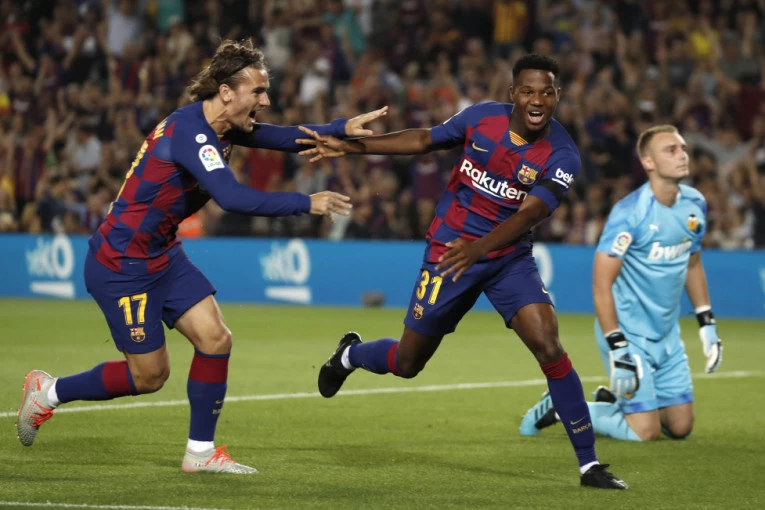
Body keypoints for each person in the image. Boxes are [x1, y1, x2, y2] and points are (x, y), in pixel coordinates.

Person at [15, 39, 387, 474]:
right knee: (149, 377)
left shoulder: (224, 127)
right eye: (258, 91)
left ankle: (200, 452)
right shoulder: (190, 133)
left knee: (215, 339)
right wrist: (307, 203)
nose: (265, 101)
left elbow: (284, 136)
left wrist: (342, 128)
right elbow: (231, 197)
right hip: (122, 263)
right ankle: (49, 392)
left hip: (162, 253)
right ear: (226, 91)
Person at [297, 54, 628, 489]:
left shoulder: (562, 154)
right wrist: (351, 146)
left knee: (549, 345)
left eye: (546, 92)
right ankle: (349, 355)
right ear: (512, 93)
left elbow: (530, 213)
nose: (537, 100)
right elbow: (423, 140)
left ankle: (589, 465)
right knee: (408, 362)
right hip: (449, 252)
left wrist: (481, 249)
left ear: (557, 96)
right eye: (528, 91)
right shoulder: (482, 118)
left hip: (506, 258)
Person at [519, 124, 723, 442]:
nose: (682, 155)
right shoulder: (630, 213)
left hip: (667, 334)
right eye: (671, 150)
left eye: (683, 148)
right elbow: (601, 285)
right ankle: (563, 407)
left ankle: (615, 403)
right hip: (629, 333)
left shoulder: (695, 204)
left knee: (681, 427)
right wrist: (618, 345)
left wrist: (706, 321)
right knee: (645, 432)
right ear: (648, 162)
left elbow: (693, 263)